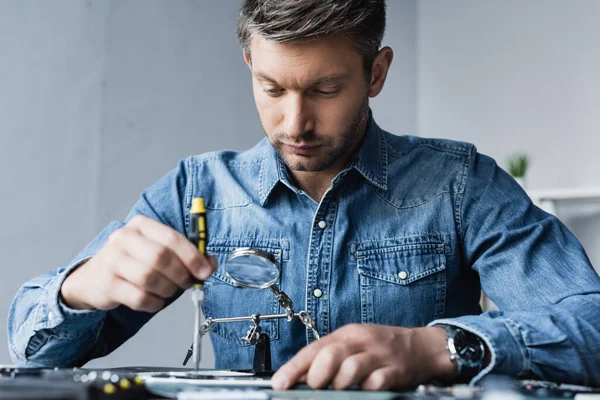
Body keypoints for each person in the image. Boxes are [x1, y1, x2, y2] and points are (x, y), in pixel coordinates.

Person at [7, 0, 600, 392]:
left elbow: (590, 326)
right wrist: (78, 290)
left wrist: (436, 347)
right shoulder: (196, 192)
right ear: (249, 64)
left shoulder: (461, 184)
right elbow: (28, 354)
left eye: (324, 89)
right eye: (271, 88)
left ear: (376, 73)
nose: (294, 123)